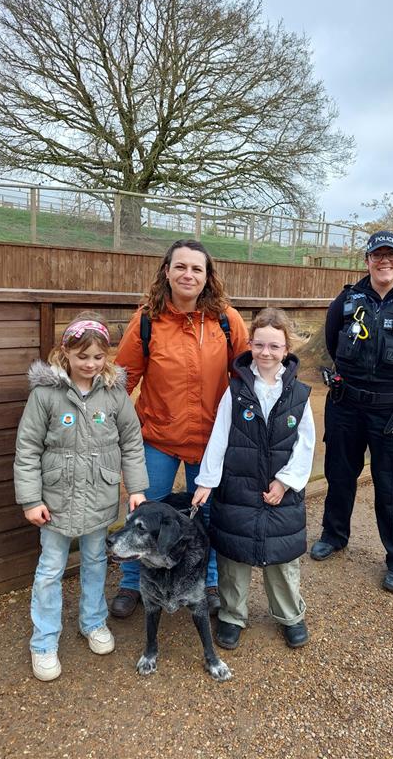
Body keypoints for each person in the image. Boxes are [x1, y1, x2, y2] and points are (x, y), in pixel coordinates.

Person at [110, 239, 250, 618]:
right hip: (157, 438)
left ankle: (206, 580)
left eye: (197, 269)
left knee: (208, 515)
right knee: (142, 511)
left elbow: (247, 373)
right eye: (181, 267)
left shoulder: (226, 320)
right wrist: (111, 423)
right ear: (167, 272)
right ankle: (131, 580)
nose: (188, 274)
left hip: (209, 441)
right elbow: (123, 379)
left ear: (208, 277)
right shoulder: (146, 320)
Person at [14, 311, 149, 682]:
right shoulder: (46, 395)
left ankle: (93, 622)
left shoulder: (114, 394)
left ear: (107, 356)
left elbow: (132, 442)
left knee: (95, 562)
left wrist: (136, 489)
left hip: (100, 497)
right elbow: (27, 448)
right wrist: (30, 500)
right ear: (66, 353)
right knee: (50, 570)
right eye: (82, 356)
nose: (90, 364)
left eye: (98, 357)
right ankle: (43, 640)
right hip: (54, 502)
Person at [310, 230, 393, 593]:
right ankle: (334, 535)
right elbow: (330, 342)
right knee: (339, 476)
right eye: (377, 255)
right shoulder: (346, 300)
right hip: (346, 405)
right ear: (367, 260)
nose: (384, 262)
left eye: (391, 256)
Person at [192, 307, 316, 650]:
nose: (266, 353)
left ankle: (290, 615)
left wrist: (286, 481)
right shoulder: (236, 390)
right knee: (234, 558)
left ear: (286, 350)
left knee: (283, 560)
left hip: (281, 492)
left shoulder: (299, 395)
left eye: (274, 347)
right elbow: (220, 437)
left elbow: (305, 445)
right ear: (251, 345)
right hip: (238, 487)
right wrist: (207, 481)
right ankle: (233, 615)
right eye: (260, 345)